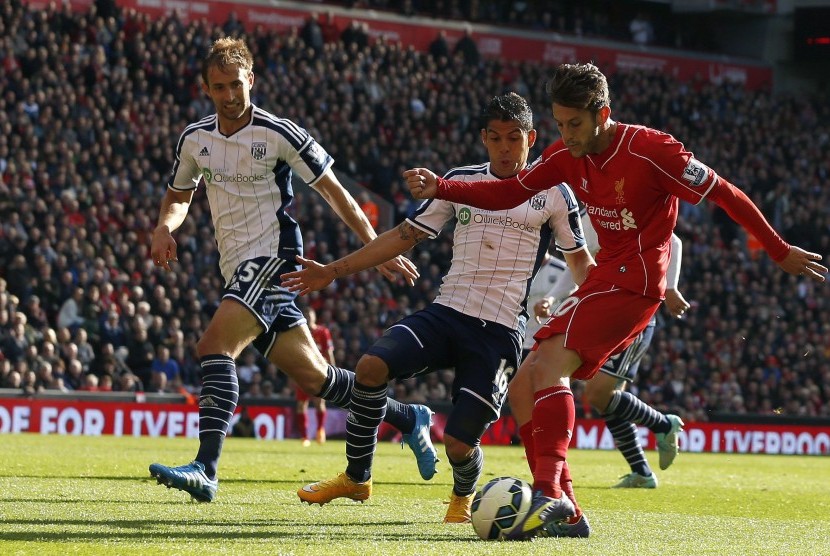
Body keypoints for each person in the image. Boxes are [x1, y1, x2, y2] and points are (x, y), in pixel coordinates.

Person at [404, 62, 826, 538]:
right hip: (605, 280)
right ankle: (569, 513)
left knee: (546, 369)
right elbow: (509, 193)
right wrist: (442, 187)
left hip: (638, 283)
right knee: (523, 386)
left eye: (575, 124)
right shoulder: (567, 155)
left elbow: (724, 193)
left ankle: (548, 494)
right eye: (560, 124)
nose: (566, 134)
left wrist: (779, 249)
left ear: (602, 112)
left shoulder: (653, 150)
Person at [283, 92, 593, 537]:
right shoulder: (460, 182)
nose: (505, 148)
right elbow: (404, 235)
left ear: (531, 138)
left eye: (514, 138)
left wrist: (602, 301)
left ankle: (463, 496)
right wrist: (332, 271)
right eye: (495, 138)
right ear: (483, 140)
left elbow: (580, 262)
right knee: (371, 366)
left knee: (459, 444)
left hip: (501, 332)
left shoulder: (555, 195)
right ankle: (357, 478)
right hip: (447, 313)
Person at [147, 37, 436, 503]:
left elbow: (337, 193)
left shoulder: (279, 133)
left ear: (251, 80)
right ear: (205, 88)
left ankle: (206, 467)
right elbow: (180, 193)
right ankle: (407, 417)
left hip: (273, 259)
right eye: (218, 87)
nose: (228, 95)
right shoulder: (194, 139)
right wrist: (164, 226)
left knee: (213, 345)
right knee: (316, 378)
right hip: (235, 268)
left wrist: (376, 248)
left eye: (235, 84)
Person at [534, 214, 689, 494]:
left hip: (633, 316)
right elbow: (577, 262)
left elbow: (673, 241)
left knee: (597, 394)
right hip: (603, 312)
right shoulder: (590, 214)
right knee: (603, 398)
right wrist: (552, 297)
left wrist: (671, 286)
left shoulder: (619, 206)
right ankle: (641, 470)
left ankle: (663, 425)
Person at [295, 307, 330, 446]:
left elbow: (328, 351)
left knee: (319, 403)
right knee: (301, 405)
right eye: (306, 315)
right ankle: (304, 437)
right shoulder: (299, 332)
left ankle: (320, 431)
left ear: (315, 317)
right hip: (302, 372)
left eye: (310, 315)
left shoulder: (322, 332)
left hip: (319, 371)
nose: (308, 318)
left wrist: (332, 369)